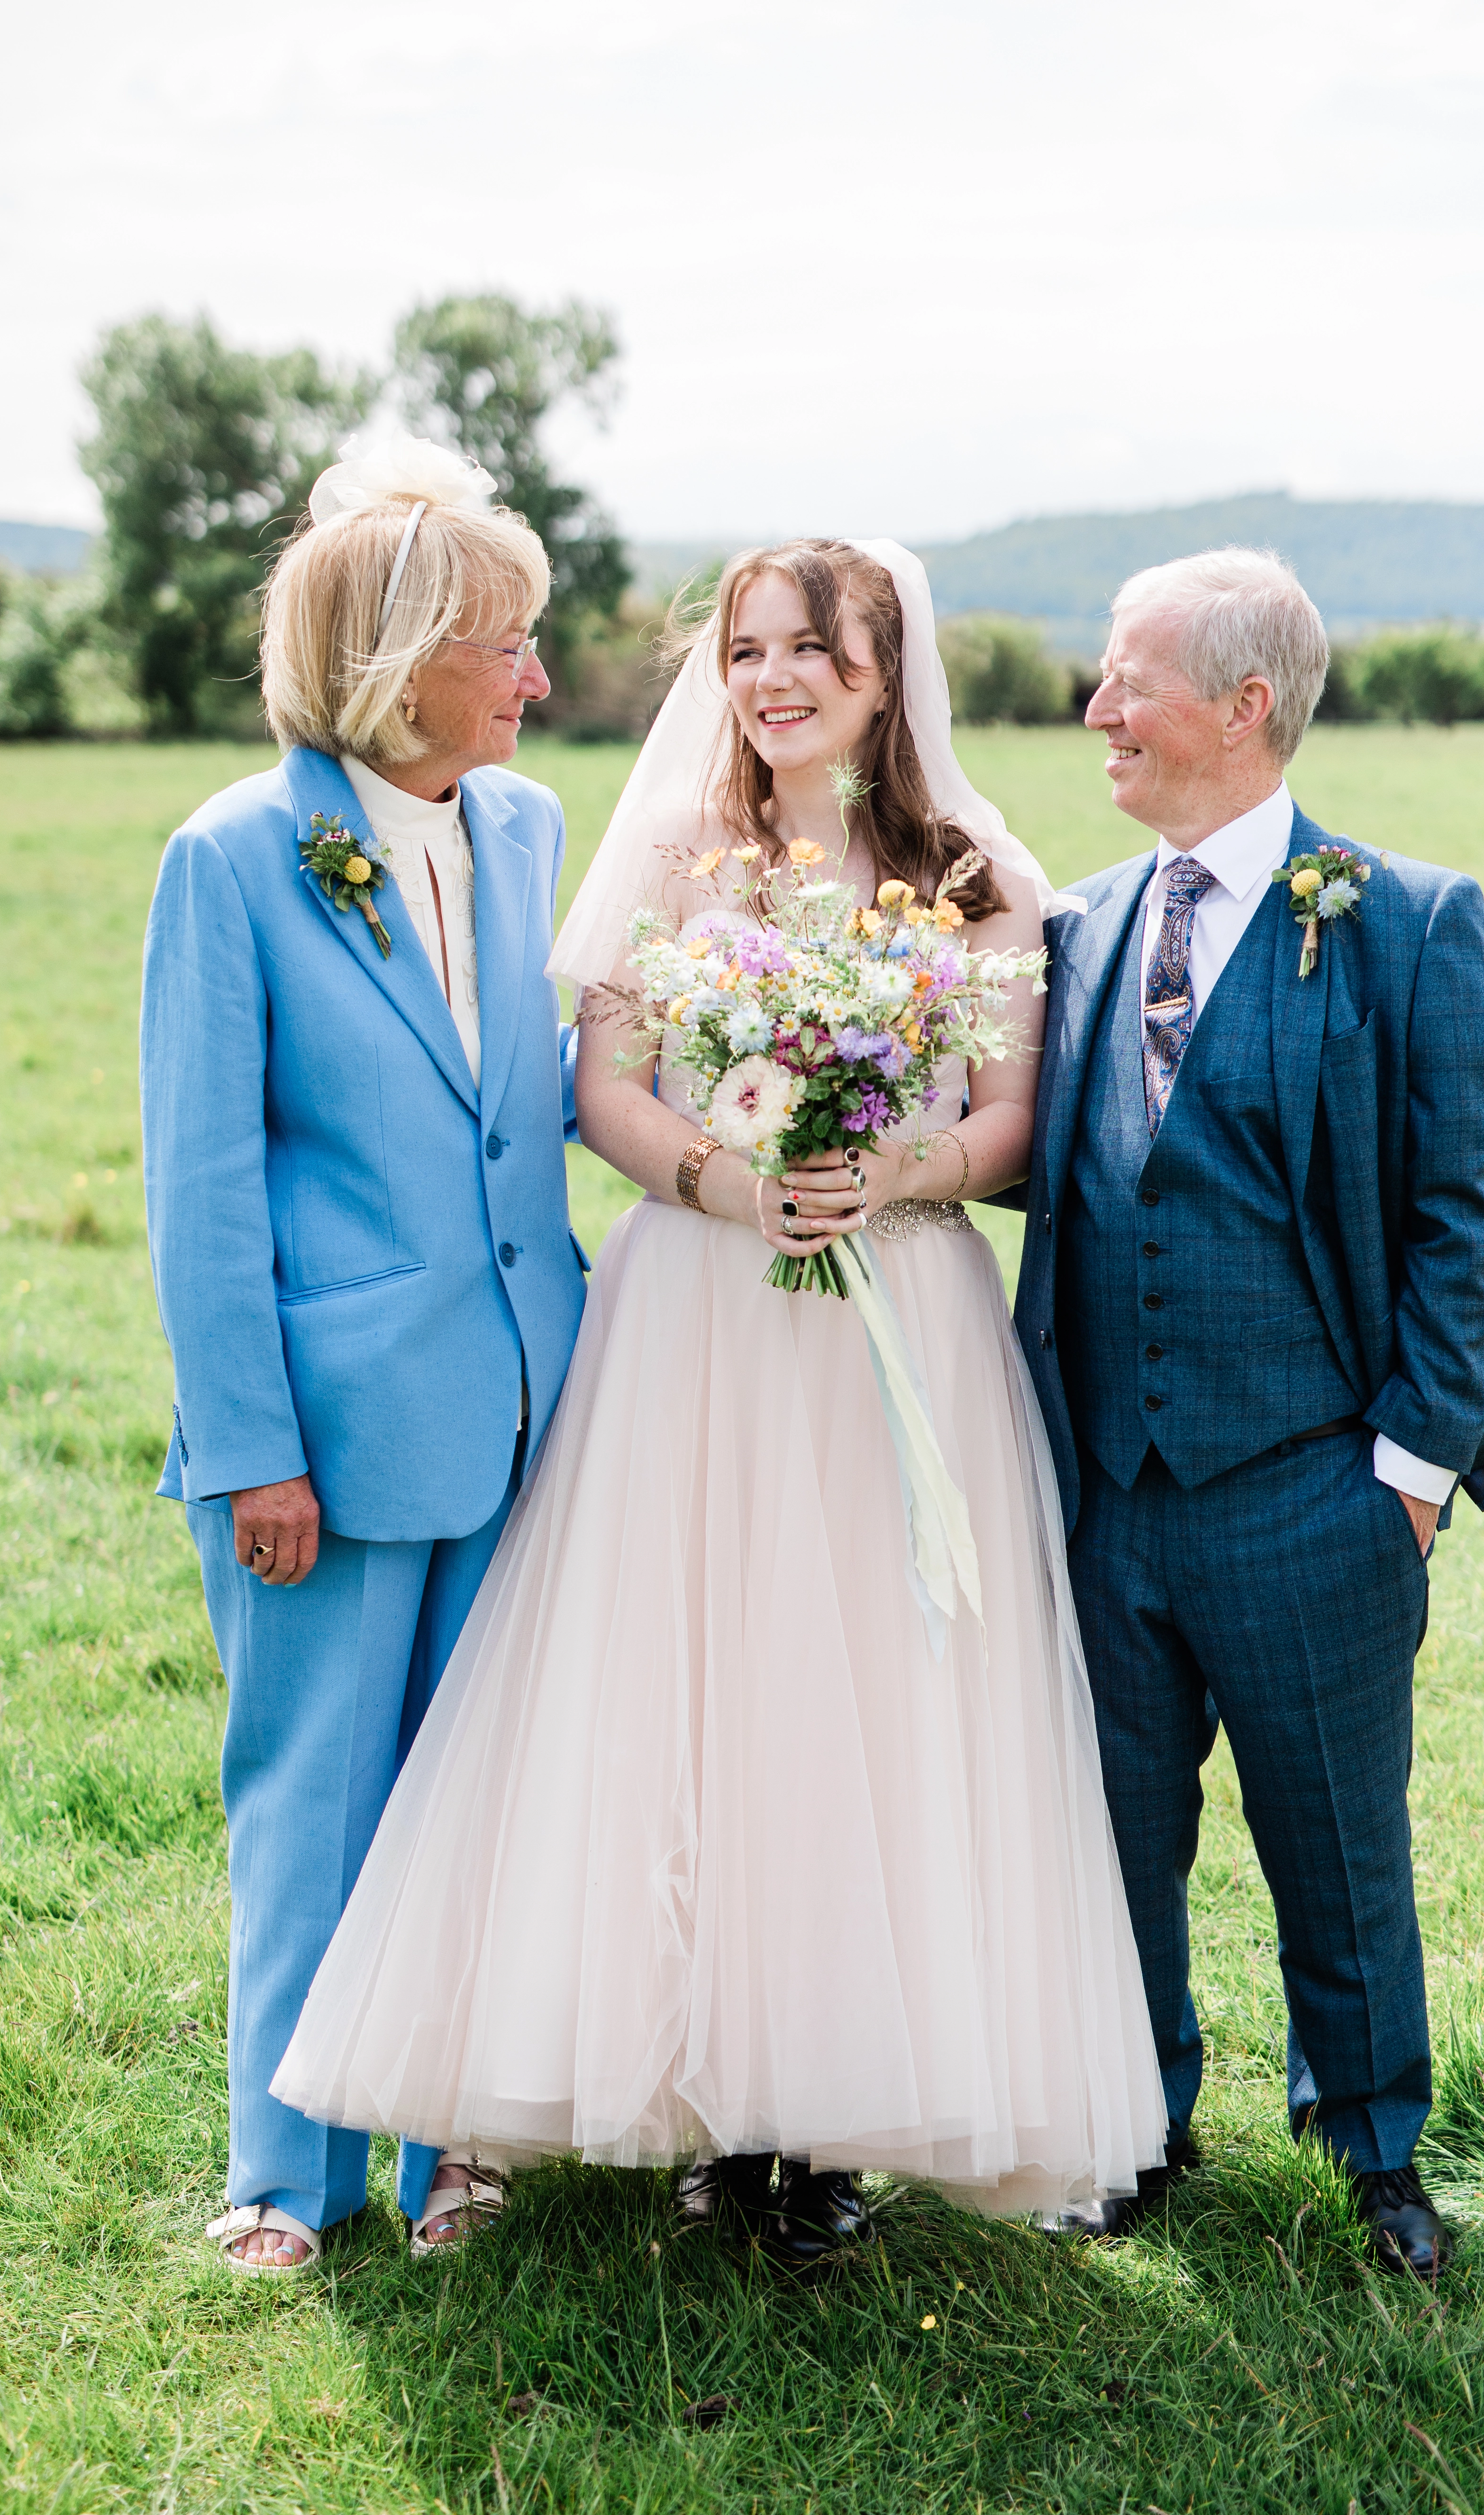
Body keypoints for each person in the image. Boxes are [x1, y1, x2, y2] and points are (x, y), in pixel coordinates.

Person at [272, 538, 1167, 2258]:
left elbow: (1011, 1119)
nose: (772, 682)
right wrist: (723, 1179)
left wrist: (898, 1163)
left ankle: (834, 2116)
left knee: (874, 1695)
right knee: (699, 1682)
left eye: (811, 655)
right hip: (698, 1309)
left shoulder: (974, 870)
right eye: (748, 651)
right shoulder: (677, 851)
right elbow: (598, 1088)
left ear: (886, 673)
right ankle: (691, 2090)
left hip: (897, 1315)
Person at [1010, 546, 1484, 2279]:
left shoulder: (1404, 921)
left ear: (1246, 708)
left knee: (1337, 1836)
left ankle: (1377, 2151)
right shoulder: (1085, 925)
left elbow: (1457, 1215)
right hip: (1110, 1490)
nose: (1097, 708)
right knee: (1119, 1839)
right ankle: (1139, 2120)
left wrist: (1405, 1476)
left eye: (1129, 679)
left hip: (1314, 1489)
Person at [140, 438, 588, 2273]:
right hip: (317, 1442)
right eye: (508, 643)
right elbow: (200, 1187)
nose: (538, 679)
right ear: (401, 662)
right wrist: (253, 1447)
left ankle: (452, 2156)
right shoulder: (235, 860)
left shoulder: (527, 830)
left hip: (521, 1406)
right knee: (314, 1803)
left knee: (476, 1797)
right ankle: (286, 2178)